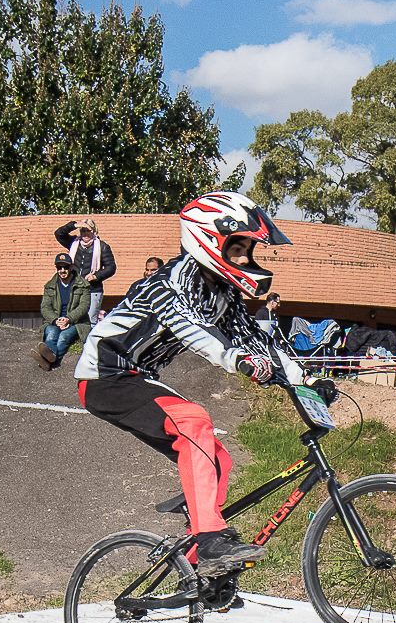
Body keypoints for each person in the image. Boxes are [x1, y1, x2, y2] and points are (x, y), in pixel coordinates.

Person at [75, 191, 335, 576]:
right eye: (239, 249)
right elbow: (196, 332)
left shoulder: (222, 291)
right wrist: (237, 360)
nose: (248, 259)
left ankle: (200, 568)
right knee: (193, 421)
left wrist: (307, 379)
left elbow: (257, 339)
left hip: (139, 377)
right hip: (104, 376)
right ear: (208, 239)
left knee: (218, 459)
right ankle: (210, 537)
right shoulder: (167, 285)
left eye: (250, 250)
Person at [32, 253, 91, 371]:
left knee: (64, 337)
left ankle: (48, 361)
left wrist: (69, 318)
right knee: (51, 334)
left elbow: (84, 306)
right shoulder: (50, 286)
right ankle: (51, 358)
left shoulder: (83, 285)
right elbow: (45, 307)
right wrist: (55, 320)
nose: (62, 270)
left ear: (71, 267)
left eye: (65, 267)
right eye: (59, 267)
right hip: (55, 321)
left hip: (76, 322)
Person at [55, 217, 117, 324]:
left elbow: (111, 267)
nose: (85, 234)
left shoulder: (102, 247)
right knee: (73, 319)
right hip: (75, 287)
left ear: (94, 231)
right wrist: (75, 225)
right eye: (83, 230)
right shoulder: (73, 243)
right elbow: (59, 233)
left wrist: (96, 276)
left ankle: (89, 341)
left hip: (93, 289)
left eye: (88, 230)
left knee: (90, 320)